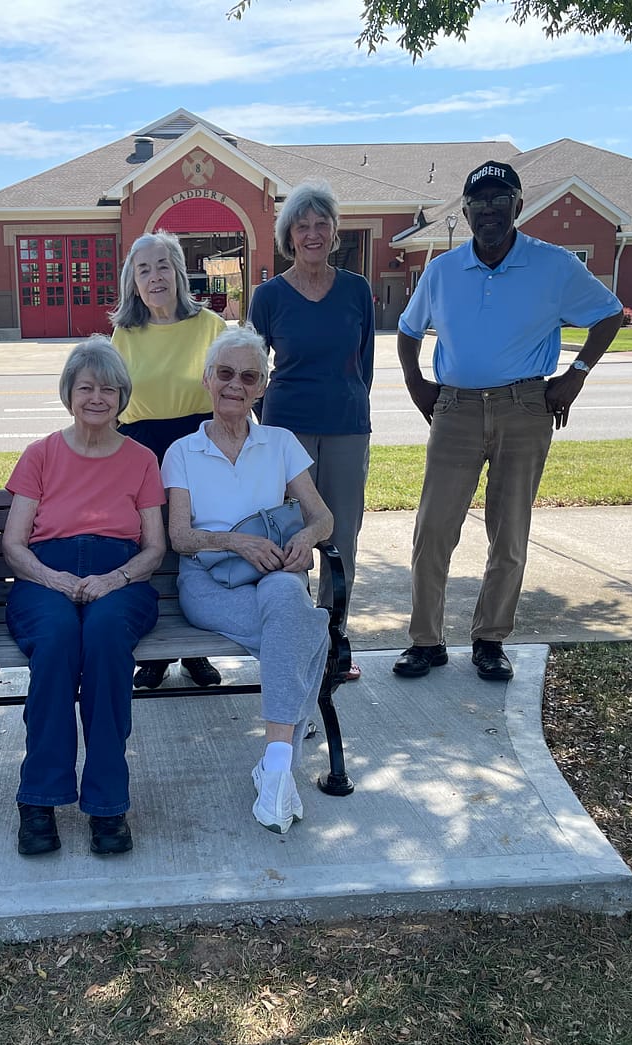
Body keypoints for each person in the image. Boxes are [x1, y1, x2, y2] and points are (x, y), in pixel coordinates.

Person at [394, 160, 624, 682]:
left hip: (526, 408)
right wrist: (416, 385)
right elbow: (409, 332)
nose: (490, 210)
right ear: (467, 210)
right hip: (454, 409)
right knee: (433, 529)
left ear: (518, 207)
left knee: (510, 529)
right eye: (480, 202)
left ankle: (490, 638)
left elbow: (609, 313)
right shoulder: (442, 270)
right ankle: (425, 641)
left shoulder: (555, 265)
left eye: (501, 200)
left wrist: (577, 374)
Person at [162, 326, 334, 834]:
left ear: (262, 387)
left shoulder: (280, 442)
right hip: (207, 581)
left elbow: (323, 517)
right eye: (225, 373)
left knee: (287, 600)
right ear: (207, 379)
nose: (235, 384)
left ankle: (276, 768)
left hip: (274, 575)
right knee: (304, 628)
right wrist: (236, 542)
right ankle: (280, 764)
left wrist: (307, 540)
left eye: (249, 376)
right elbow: (179, 536)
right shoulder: (183, 451)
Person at [1, 337, 165, 857]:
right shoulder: (41, 454)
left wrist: (113, 581)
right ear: (69, 393)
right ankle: (39, 800)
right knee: (55, 642)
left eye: (108, 388)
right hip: (45, 573)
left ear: (122, 397)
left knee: (103, 639)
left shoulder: (141, 460)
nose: (96, 397)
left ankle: (107, 803)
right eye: (86, 386)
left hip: (121, 576)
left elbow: (155, 547)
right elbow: (13, 542)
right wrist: (55, 580)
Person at [248, 178, 374, 680]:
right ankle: (295, 632)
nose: (313, 233)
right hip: (287, 431)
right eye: (303, 226)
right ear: (289, 235)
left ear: (335, 232)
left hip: (346, 425)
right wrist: (266, 432)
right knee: (293, 536)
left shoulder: (356, 289)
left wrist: (350, 402)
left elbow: (364, 362)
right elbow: (254, 367)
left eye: (322, 224)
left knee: (342, 533)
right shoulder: (269, 296)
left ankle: (334, 636)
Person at [110, 230, 226, 692]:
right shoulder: (125, 333)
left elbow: (231, 391)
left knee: (194, 545)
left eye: (162, 266)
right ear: (133, 282)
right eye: (144, 270)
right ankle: (156, 652)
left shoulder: (210, 327)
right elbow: (113, 401)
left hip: (198, 443)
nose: (155, 277)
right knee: (152, 546)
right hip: (141, 448)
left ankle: (195, 650)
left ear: (178, 272)